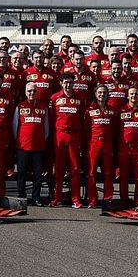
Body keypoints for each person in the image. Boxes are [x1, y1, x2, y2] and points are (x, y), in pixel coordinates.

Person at [50, 74, 86, 208]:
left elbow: (83, 118)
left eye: (71, 83)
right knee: (58, 168)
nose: (68, 85)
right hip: (60, 135)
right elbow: (52, 117)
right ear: (61, 83)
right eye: (66, 82)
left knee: (75, 168)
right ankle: (56, 197)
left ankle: (76, 199)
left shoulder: (80, 99)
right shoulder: (55, 98)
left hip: (75, 136)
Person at [13, 82, 49, 204]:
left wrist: (40, 139)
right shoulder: (20, 106)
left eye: (34, 91)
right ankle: (22, 196)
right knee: (21, 173)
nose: (32, 93)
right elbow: (15, 127)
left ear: (37, 92)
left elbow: (46, 128)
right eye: (29, 91)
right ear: (25, 92)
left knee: (38, 175)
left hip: (38, 146)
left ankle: (36, 197)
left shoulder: (43, 107)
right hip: (23, 146)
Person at [83, 85, 117, 208]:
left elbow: (114, 129)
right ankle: (93, 199)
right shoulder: (89, 111)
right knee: (92, 173)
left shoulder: (113, 111)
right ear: (96, 94)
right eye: (99, 92)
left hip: (108, 143)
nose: (102, 95)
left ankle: (108, 198)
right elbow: (86, 129)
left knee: (108, 172)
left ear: (107, 95)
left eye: (104, 92)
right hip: (94, 143)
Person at [117, 87, 138, 202]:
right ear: (127, 96)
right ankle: (123, 199)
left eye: (136, 94)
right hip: (124, 147)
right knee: (124, 176)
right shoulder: (121, 111)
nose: (133, 96)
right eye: (131, 94)